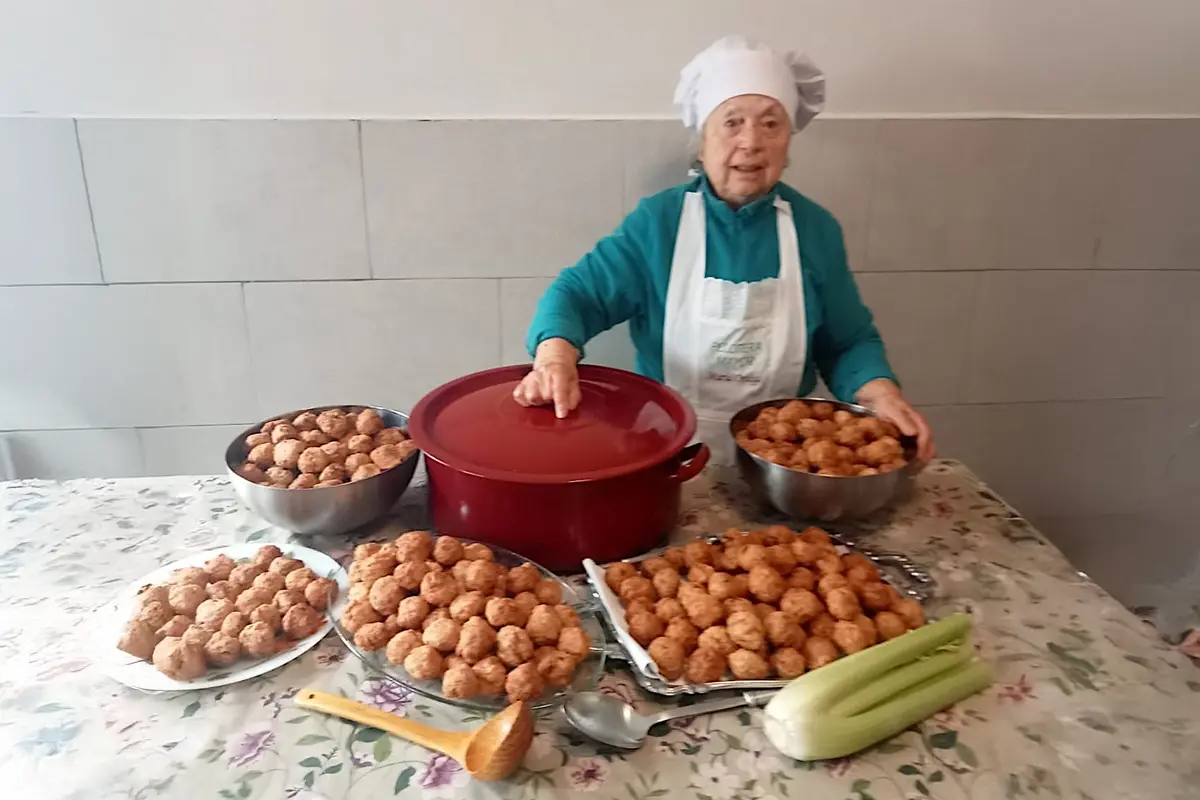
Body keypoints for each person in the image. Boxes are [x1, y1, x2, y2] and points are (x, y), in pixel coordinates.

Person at [514, 35, 934, 463]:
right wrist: (554, 358)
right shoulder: (658, 224)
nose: (751, 142)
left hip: (784, 462)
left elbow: (847, 342)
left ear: (788, 142)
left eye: (771, 124)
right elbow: (577, 296)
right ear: (703, 141)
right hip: (668, 451)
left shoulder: (814, 229)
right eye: (732, 123)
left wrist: (881, 394)